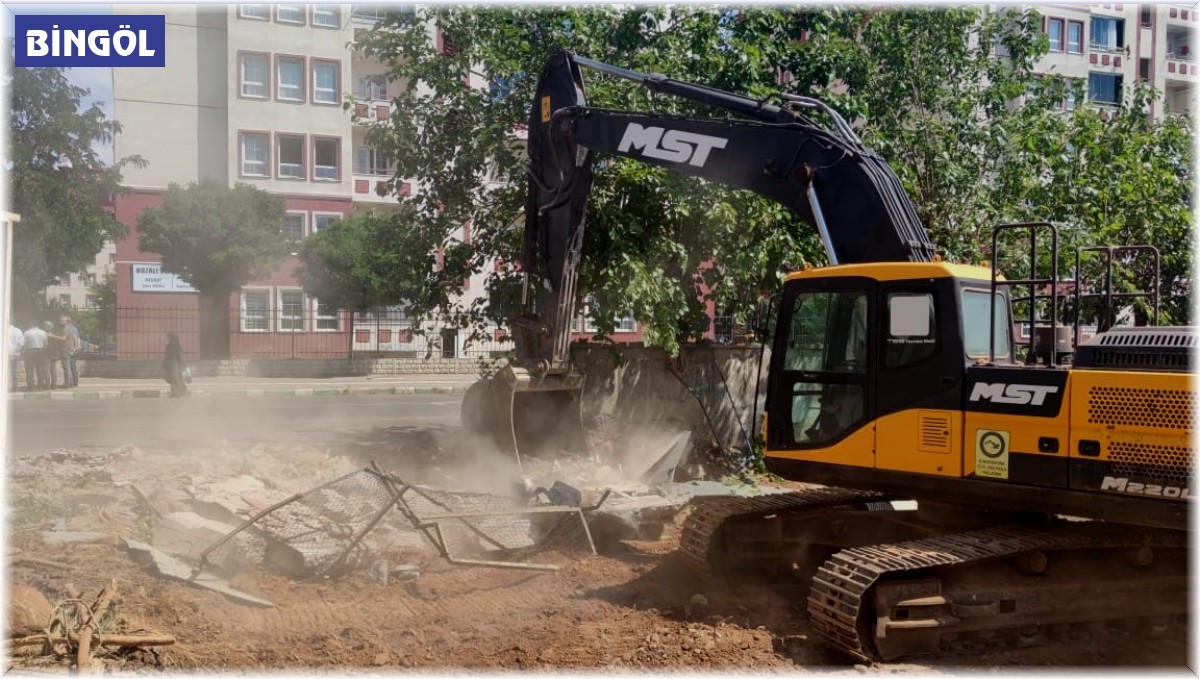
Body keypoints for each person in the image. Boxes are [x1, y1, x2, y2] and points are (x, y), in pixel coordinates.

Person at [22, 322, 48, 391]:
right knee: (40, 369)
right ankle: (40, 386)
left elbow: (24, 343)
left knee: (29, 370)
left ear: (30, 325)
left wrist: (24, 351)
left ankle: (30, 387)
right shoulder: (43, 332)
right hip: (40, 351)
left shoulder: (27, 332)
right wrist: (43, 350)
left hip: (30, 351)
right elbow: (45, 343)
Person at [163, 332, 189, 397]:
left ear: (171, 339)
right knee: (173, 381)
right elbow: (166, 358)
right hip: (170, 368)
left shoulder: (177, 348)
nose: (166, 340)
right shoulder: (168, 348)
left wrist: (183, 368)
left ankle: (181, 393)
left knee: (177, 381)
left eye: (167, 338)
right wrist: (164, 366)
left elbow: (181, 359)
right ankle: (175, 393)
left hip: (176, 367)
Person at [58, 315, 81, 387]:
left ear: (68, 321)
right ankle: (74, 382)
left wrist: (75, 347)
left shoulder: (70, 329)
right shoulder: (74, 328)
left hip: (71, 349)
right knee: (71, 366)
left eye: (63, 321)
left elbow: (75, 338)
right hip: (72, 349)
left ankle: (72, 382)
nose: (61, 322)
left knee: (70, 366)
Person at [44, 321, 66, 389]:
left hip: (47, 353)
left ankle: (47, 385)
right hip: (55, 353)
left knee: (46, 369)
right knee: (53, 369)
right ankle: (54, 385)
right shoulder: (57, 333)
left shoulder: (45, 334)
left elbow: (45, 344)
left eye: (44, 326)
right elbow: (60, 342)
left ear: (46, 327)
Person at [8, 323, 24, 391]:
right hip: (15, 354)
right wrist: (14, 353)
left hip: (5, 354)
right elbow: (20, 344)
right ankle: (15, 387)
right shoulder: (18, 330)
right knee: (14, 371)